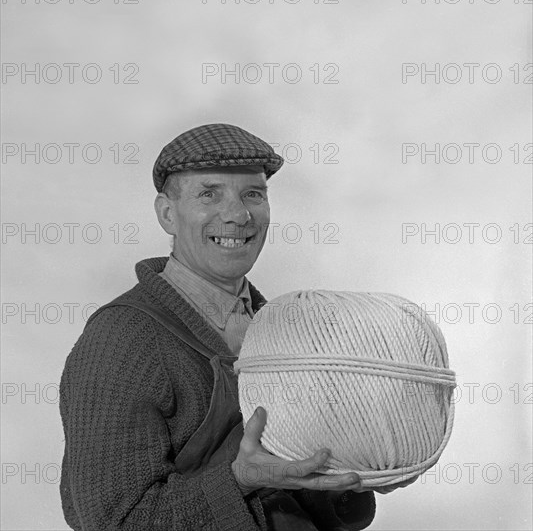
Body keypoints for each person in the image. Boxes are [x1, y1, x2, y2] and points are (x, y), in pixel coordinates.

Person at [59, 123, 382, 530]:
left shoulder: (285, 334)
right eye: (209, 194)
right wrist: (239, 479)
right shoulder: (121, 339)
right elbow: (113, 521)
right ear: (167, 214)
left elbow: (312, 499)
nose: (237, 215)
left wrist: (353, 476)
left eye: (253, 194)